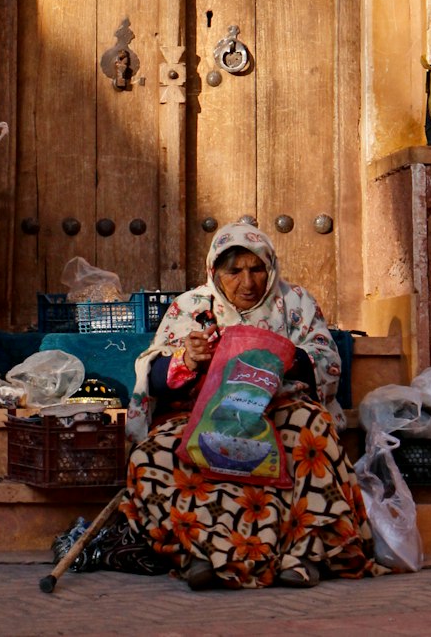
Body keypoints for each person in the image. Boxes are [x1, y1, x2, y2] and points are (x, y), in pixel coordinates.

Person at [119, 221, 378, 590]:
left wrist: (285, 359)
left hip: (279, 408)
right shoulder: (190, 307)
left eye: (257, 269)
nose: (248, 282)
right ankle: (199, 554)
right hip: (203, 414)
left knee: (312, 428)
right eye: (234, 271)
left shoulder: (296, 303)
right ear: (214, 272)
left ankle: (303, 555)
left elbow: (326, 359)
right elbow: (153, 374)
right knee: (150, 457)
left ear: (270, 267)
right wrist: (187, 359)